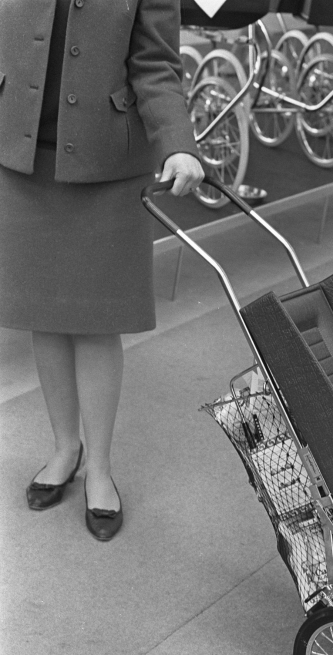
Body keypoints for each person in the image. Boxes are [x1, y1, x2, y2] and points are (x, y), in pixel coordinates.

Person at [0, 0, 205, 540]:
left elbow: (156, 64)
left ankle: (100, 469)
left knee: (95, 322)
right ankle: (64, 449)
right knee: (43, 315)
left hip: (107, 163)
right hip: (19, 155)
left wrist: (177, 144)